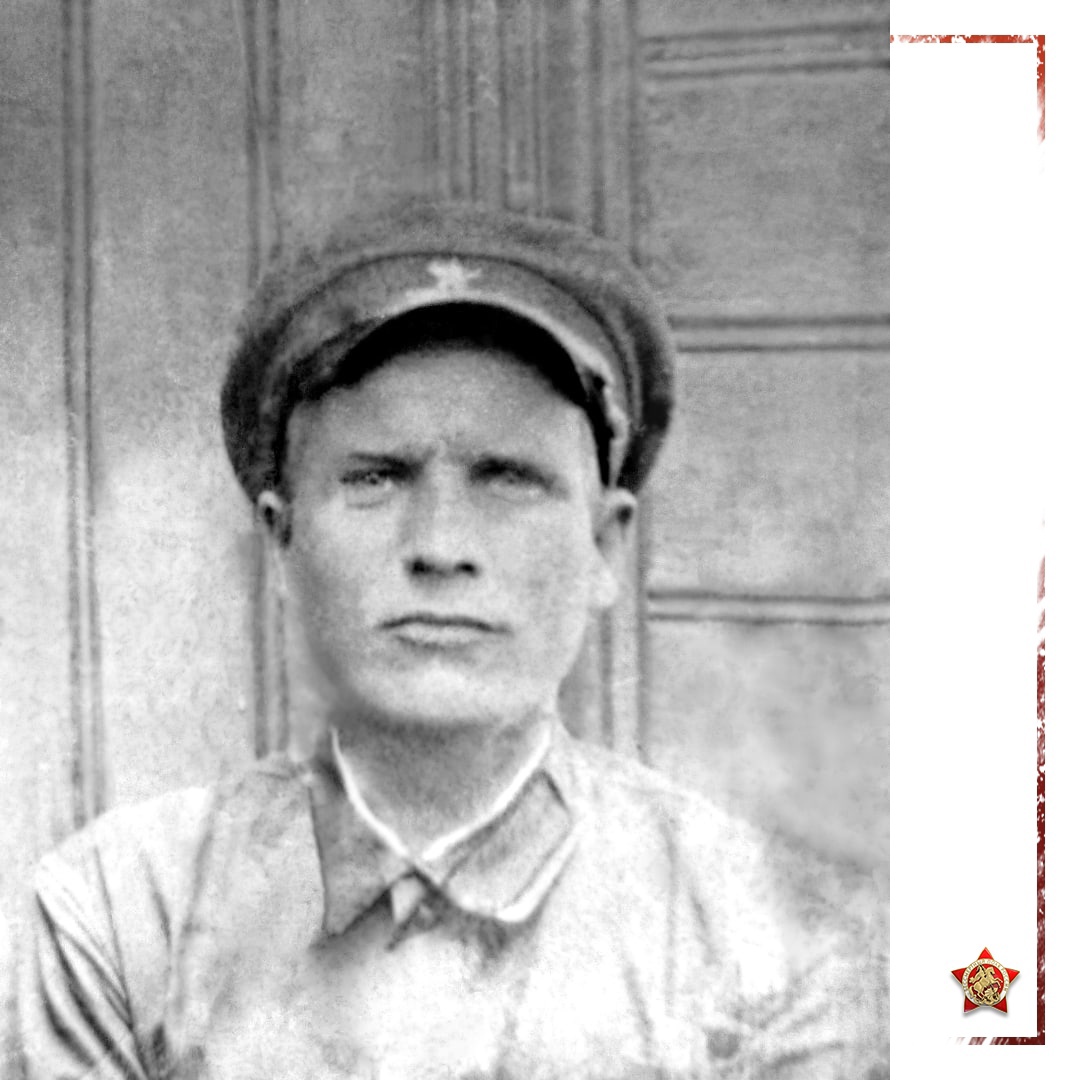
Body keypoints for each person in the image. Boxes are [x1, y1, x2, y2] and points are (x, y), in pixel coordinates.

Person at [18, 201, 871, 1078]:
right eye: (376, 478)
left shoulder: (768, 939)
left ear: (604, 545)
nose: (440, 546)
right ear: (281, 542)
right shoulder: (126, 910)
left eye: (509, 478)